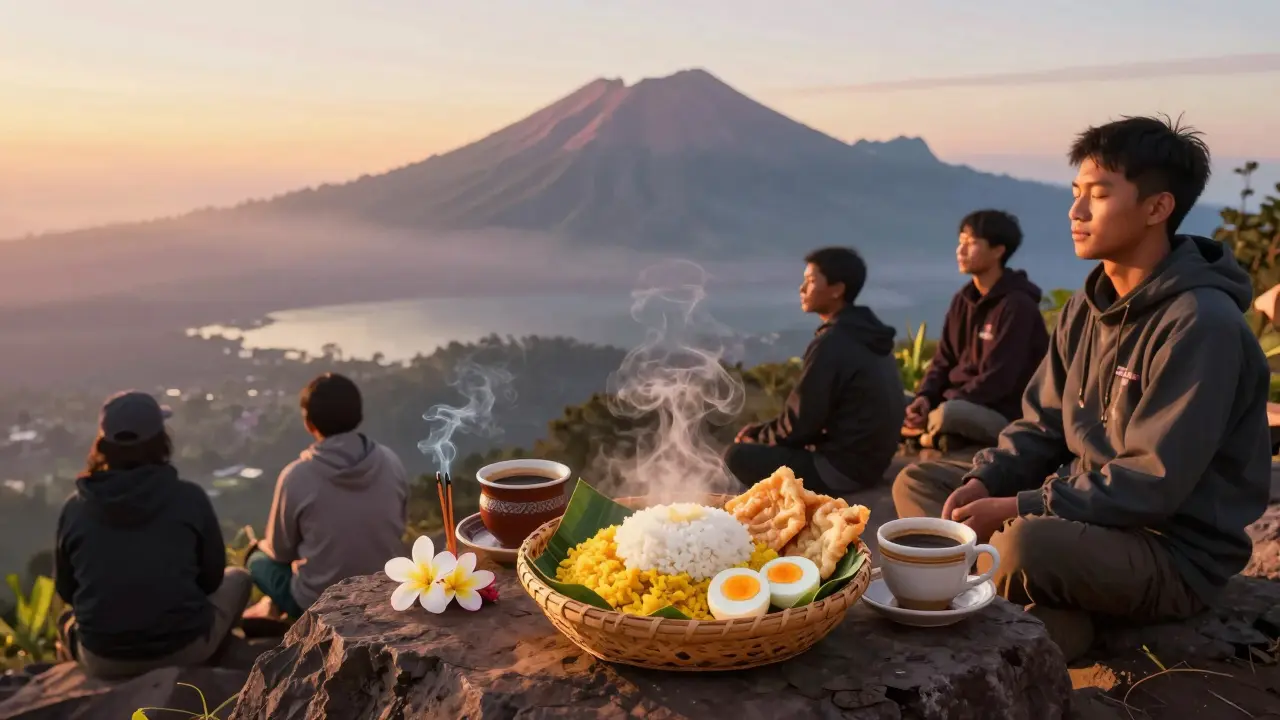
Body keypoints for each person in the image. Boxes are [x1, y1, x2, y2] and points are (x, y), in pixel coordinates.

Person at [892, 116, 1272, 661]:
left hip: (1167, 548)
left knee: (1022, 544)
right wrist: (987, 481)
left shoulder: (1201, 323)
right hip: (1082, 514)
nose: (1075, 212)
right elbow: (1040, 424)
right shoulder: (1085, 307)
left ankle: (1030, 605)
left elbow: (1150, 485)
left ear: (1157, 208)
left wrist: (1018, 507)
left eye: (1097, 196)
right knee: (922, 487)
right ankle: (1053, 611)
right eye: (1075, 194)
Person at [55, 391, 251, 678]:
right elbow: (211, 581)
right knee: (241, 578)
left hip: (103, 658)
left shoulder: (75, 508)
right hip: (185, 648)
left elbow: (67, 590)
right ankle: (217, 657)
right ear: (161, 441)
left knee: (65, 621)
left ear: (103, 445)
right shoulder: (189, 498)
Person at [725, 247, 905, 492]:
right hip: (870, 465)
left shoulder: (833, 342)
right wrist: (763, 432)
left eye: (810, 281)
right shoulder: (868, 334)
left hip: (840, 470)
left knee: (737, 456)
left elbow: (802, 423)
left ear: (837, 290)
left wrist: (759, 437)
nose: (802, 289)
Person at [244, 373, 409, 620]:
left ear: (309, 423)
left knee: (256, 559)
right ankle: (274, 609)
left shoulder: (296, 476)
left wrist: (259, 545)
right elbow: (399, 526)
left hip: (319, 605)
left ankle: (282, 615)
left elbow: (281, 551)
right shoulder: (391, 461)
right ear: (359, 415)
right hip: (382, 592)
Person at [902, 210, 1050, 450]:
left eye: (971, 244)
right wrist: (925, 398)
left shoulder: (1017, 306)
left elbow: (998, 380)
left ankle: (927, 433)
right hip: (955, 402)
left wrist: (941, 404)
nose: (960, 251)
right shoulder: (963, 300)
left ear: (998, 251)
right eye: (960, 242)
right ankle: (933, 434)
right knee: (897, 402)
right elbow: (943, 360)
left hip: (1002, 413)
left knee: (949, 414)